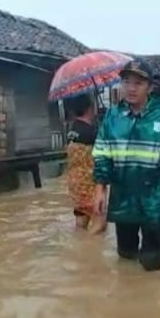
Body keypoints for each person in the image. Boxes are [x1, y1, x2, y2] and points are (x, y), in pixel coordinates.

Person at [92, 59, 160, 272]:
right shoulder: (112, 116)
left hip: (155, 201)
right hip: (123, 199)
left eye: (138, 83)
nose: (131, 88)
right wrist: (100, 188)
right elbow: (102, 153)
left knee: (151, 262)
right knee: (126, 258)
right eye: (126, 82)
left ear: (150, 87)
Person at [64, 93, 106, 234]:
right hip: (90, 185)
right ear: (90, 108)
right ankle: (90, 252)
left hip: (75, 185)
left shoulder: (71, 131)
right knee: (100, 224)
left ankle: (79, 250)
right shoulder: (92, 133)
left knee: (81, 223)